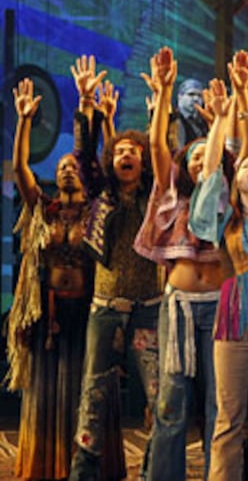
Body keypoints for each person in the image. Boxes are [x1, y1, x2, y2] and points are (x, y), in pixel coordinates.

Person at [135, 47, 234, 480]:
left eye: (204, 156)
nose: (198, 160)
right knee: (171, 404)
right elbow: (158, 144)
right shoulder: (171, 197)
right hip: (178, 308)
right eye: (192, 156)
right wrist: (163, 92)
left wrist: (223, 121)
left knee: (219, 404)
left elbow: (220, 161)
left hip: (219, 307)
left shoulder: (224, 198)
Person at [67, 55, 162, 481]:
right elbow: (84, 156)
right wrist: (86, 104)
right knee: (93, 393)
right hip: (105, 309)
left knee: (159, 396)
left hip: (148, 311)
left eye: (133, 151)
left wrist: (159, 105)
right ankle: (83, 473)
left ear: (142, 162)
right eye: (120, 150)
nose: (126, 154)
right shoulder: (100, 194)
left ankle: (152, 471)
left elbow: (162, 152)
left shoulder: (155, 197)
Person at [9, 77, 92, 481]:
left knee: (84, 387)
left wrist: (86, 103)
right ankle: (47, 462)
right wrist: (24, 121)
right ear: (54, 178)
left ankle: (82, 463)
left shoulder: (95, 211)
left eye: (73, 166)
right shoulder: (44, 208)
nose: (67, 170)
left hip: (86, 312)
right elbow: (20, 169)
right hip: (49, 314)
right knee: (46, 389)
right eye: (61, 168)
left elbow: (91, 156)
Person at [206, 49, 248, 481]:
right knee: (228, 418)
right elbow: (213, 171)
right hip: (231, 326)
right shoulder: (223, 219)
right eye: (243, 164)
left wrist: (247, 100)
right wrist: (223, 115)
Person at [175, 78, 209, 149]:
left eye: (199, 96)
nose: (196, 99)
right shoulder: (172, 119)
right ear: (180, 96)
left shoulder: (204, 121)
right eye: (191, 94)